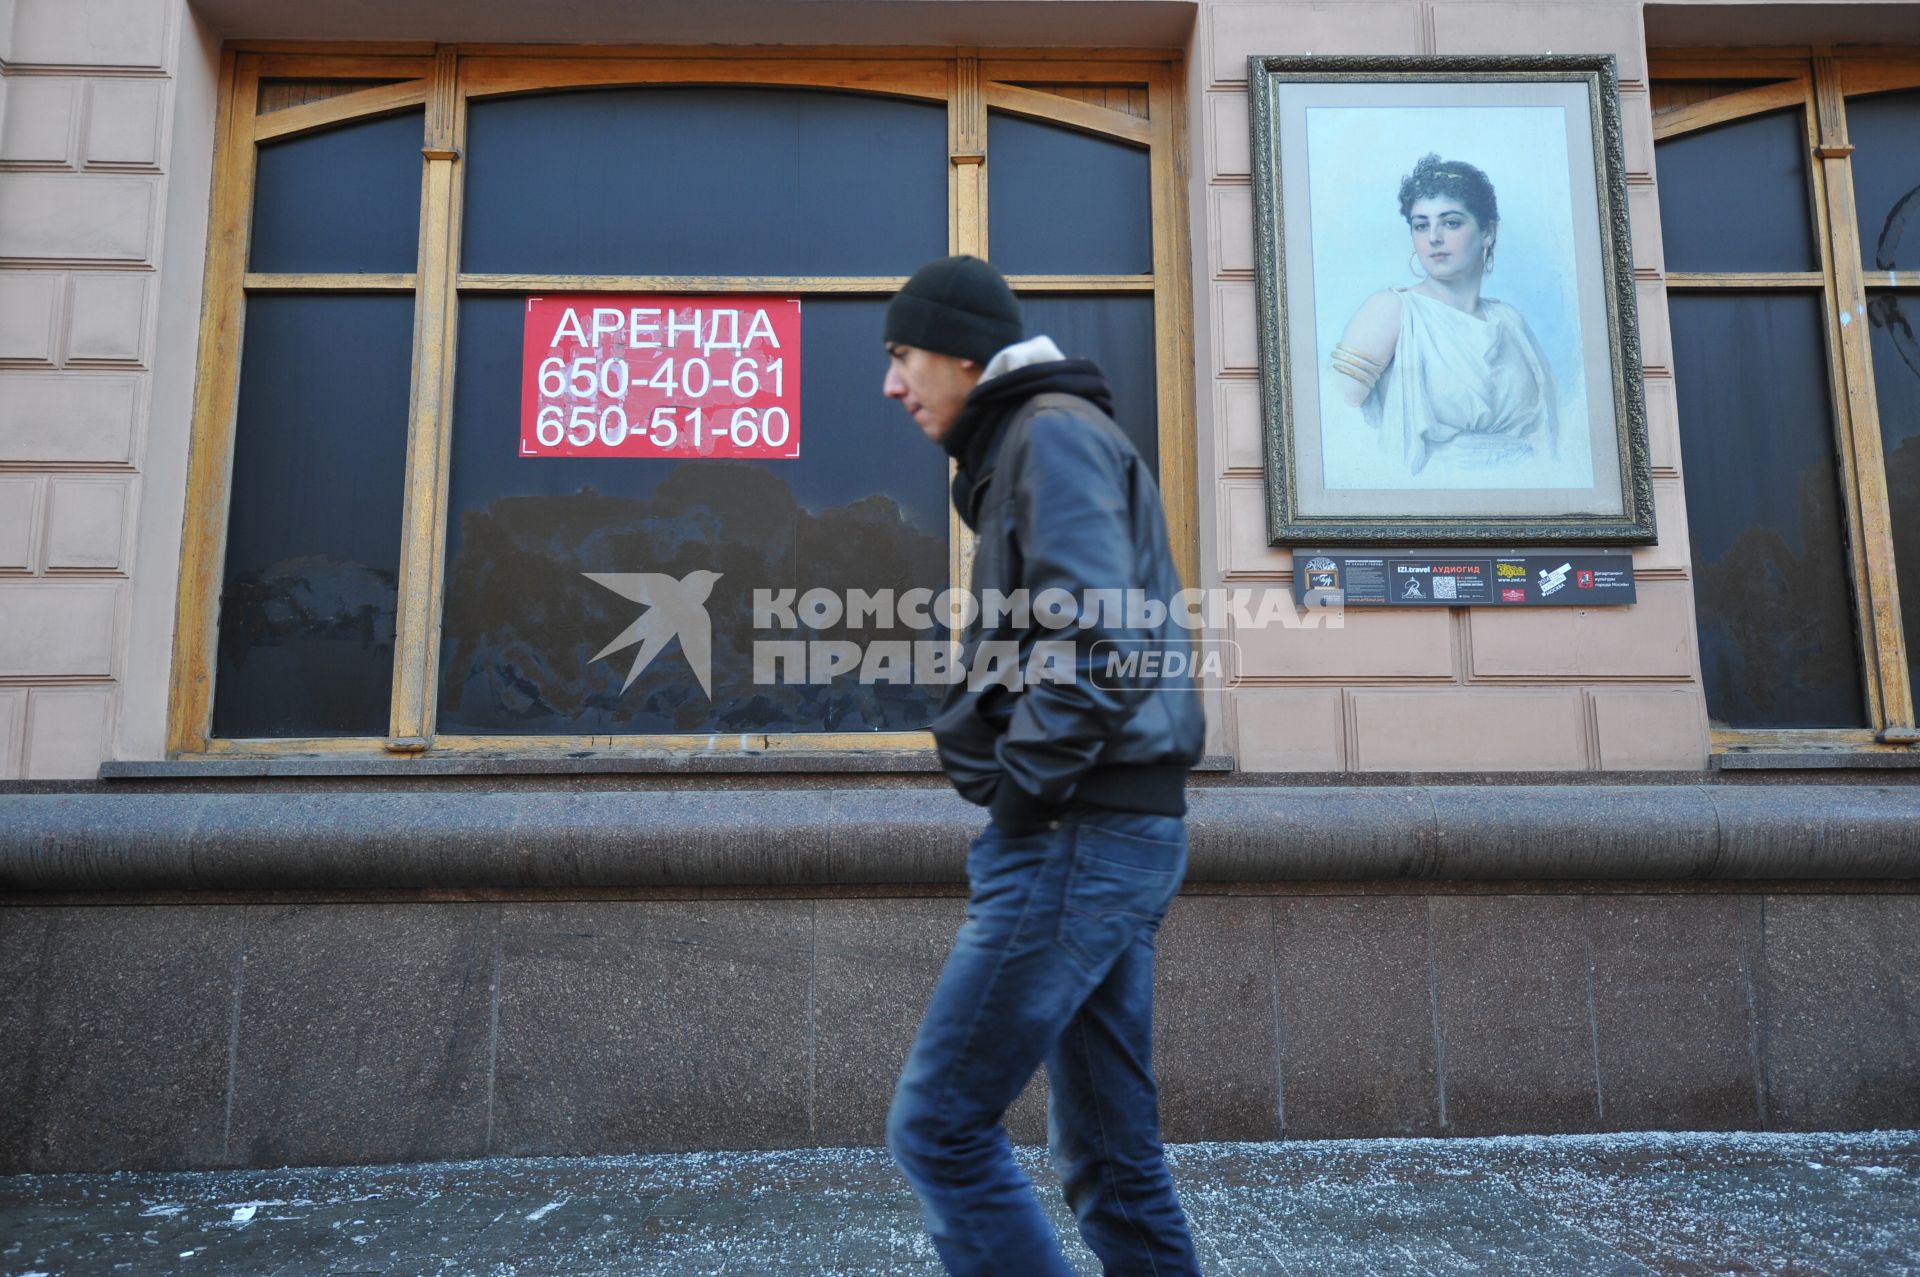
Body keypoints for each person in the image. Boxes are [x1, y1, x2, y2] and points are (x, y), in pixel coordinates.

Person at [878, 254, 1205, 1277]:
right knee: (1110, 1148)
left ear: (965, 354)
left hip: (1077, 829)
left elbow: (1103, 645)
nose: (892, 384)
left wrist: (1021, 792)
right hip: (1111, 826)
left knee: (938, 1126)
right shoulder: (1039, 434)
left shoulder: (1049, 433)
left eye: (903, 355)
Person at [1330, 153, 1560, 479]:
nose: (1434, 237)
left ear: (1488, 232)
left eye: (1450, 222)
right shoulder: (1391, 311)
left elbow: (1547, 434)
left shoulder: (1510, 322)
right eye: (1421, 225)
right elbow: (1334, 420)